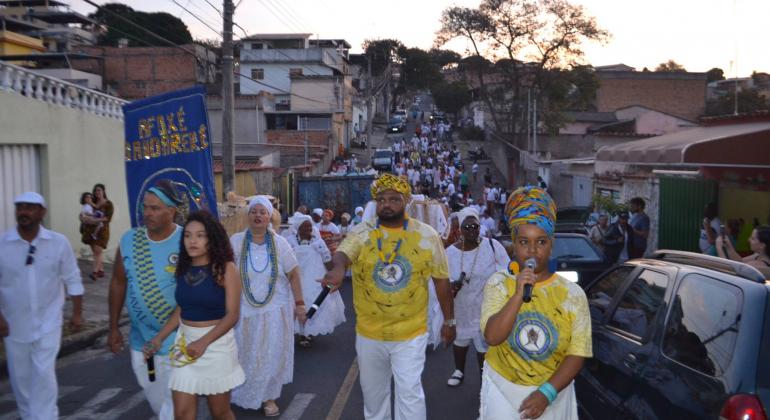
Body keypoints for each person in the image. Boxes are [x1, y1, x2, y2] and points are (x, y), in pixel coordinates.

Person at [323, 173, 455, 420]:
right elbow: (343, 255)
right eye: (382, 199)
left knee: (410, 393)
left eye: (394, 199)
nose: (387, 204)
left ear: (406, 201)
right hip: (369, 334)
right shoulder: (361, 233)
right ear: (375, 202)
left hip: (411, 333)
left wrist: (449, 322)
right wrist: (339, 268)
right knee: (374, 398)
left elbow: (441, 281)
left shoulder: (427, 236)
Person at [480, 186, 591, 420]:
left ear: (551, 244)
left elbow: (577, 353)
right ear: (513, 244)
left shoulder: (572, 294)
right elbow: (492, 337)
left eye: (541, 242)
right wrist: (518, 294)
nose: (532, 250)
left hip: (552, 394)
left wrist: (546, 394)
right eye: (523, 242)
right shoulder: (499, 284)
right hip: (503, 387)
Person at [144, 211, 244, 420]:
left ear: (212, 238)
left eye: (200, 235)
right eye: (188, 235)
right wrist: (159, 338)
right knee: (182, 415)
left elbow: (232, 315)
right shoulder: (183, 268)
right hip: (185, 344)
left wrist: (203, 342)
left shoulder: (226, 268)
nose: (192, 240)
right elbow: (182, 308)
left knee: (220, 413)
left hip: (216, 346)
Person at [0, 192, 83, 420]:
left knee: (44, 376)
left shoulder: (58, 243)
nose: (23, 212)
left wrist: (77, 314)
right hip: (15, 326)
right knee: (21, 381)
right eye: (20, 207)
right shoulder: (3, 245)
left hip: (49, 323)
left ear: (42, 212)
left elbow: (72, 278)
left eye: (29, 207)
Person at [108, 181, 184, 420]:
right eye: (145, 207)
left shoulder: (188, 240)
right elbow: (118, 282)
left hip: (178, 339)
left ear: (172, 211)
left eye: (155, 208)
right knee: (157, 401)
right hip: (141, 340)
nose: (147, 213)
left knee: (175, 408)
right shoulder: (129, 240)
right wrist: (113, 327)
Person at [230, 196, 307, 417]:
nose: (257, 216)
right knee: (244, 353)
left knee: (270, 355)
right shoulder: (235, 242)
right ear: (248, 216)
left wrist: (300, 304)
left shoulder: (280, 243)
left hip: (275, 309)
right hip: (243, 310)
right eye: (254, 211)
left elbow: (293, 274)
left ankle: (269, 398)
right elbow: (224, 273)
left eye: (262, 212)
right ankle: (243, 392)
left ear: (269, 217)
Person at [446, 207, 509, 388]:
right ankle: (459, 370)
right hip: (462, 303)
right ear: (460, 230)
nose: (472, 230)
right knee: (461, 339)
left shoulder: (492, 245)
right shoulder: (451, 252)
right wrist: (453, 284)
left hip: (485, 303)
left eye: (475, 226)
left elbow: (506, 269)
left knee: (484, 344)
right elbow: (443, 277)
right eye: (468, 227)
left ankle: (485, 378)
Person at [286, 214, 345, 347]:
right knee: (297, 305)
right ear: (298, 228)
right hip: (297, 279)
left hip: (314, 279)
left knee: (312, 304)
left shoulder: (318, 242)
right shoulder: (289, 241)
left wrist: (333, 273)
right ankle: (302, 333)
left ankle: (307, 332)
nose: (308, 228)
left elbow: (327, 261)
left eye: (310, 225)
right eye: (305, 226)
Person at [81, 183, 114, 280]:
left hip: (102, 230)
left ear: (103, 191)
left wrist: (95, 220)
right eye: (95, 191)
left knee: (97, 251)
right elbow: (83, 213)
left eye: (99, 190)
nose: (97, 192)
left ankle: (95, 272)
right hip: (90, 230)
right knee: (95, 251)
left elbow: (107, 218)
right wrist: (82, 218)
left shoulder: (108, 204)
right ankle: (101, 270)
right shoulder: (92, 202)